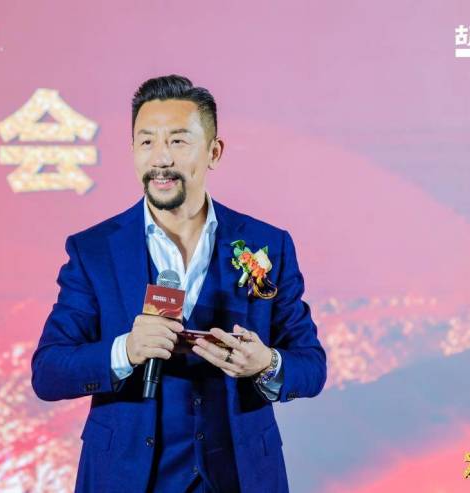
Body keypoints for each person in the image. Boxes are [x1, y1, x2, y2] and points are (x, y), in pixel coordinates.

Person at [31, 74, 326, 493]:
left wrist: (266, 364)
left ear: (214, 152)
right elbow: (48, 371)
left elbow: (311, 365)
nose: (161, 158)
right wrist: (126, 351)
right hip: (127, 476)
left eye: (178, 141)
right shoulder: (94, 251)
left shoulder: (267, 245)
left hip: (240, 475)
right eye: (146, 142)